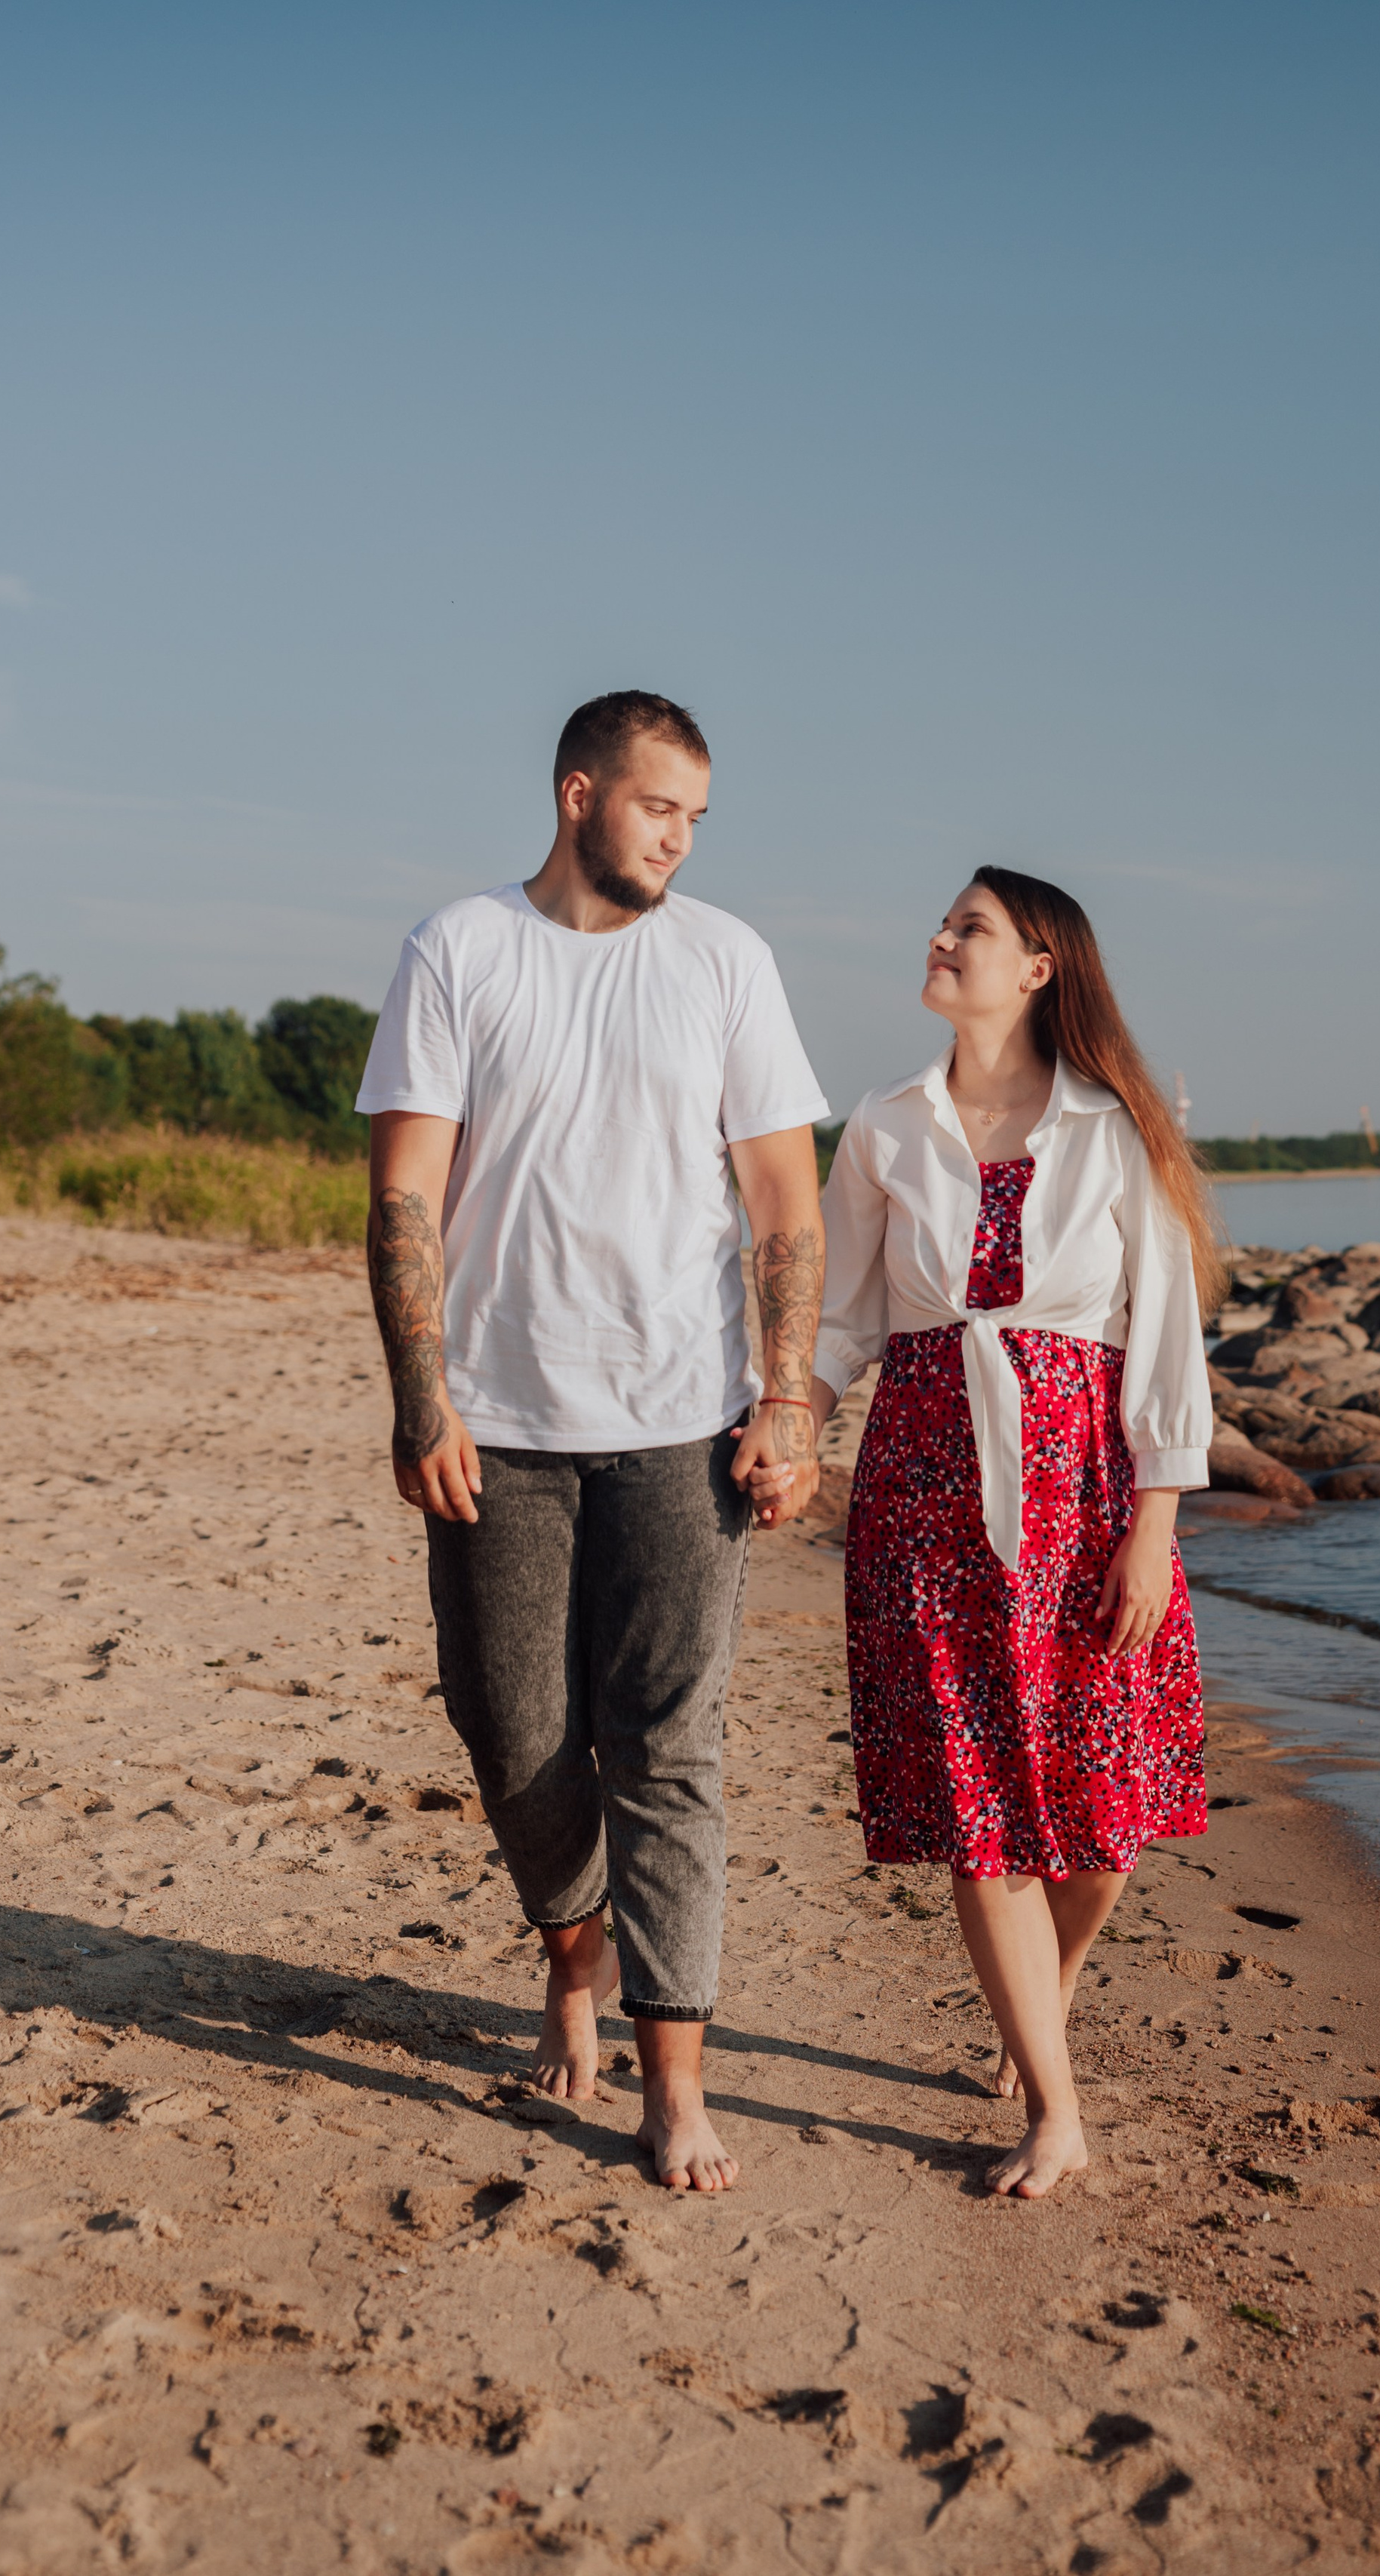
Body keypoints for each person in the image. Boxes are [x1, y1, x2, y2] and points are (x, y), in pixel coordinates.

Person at [356, 690, 827, 2193]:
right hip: (497, 1422)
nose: (679, 838)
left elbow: (785, 1208)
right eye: (656, 806)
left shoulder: (726, 962)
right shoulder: (460, 948)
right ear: (578, 796)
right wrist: (418, 1393)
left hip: (685, 1428)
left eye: (696, 816)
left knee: (668, 1750)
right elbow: (405, 1199)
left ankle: (674, 2079)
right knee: (510, 1732)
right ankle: (573, 1947)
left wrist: (788, 1396)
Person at [799, 865, 1225, 2199]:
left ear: (1040, 964)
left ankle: (1048, 1979)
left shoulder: (1114, 1130)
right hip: (924, 1490)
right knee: (980, 1814)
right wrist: (789, 1419)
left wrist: (1152, 1524)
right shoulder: (882, 1125)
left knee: (1102, 1823)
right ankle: (1055, 2107)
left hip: (1087, 1491)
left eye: (968, 927)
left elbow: (1163, 1337)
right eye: (945, 922)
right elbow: (843, 1317)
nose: (939, 937)